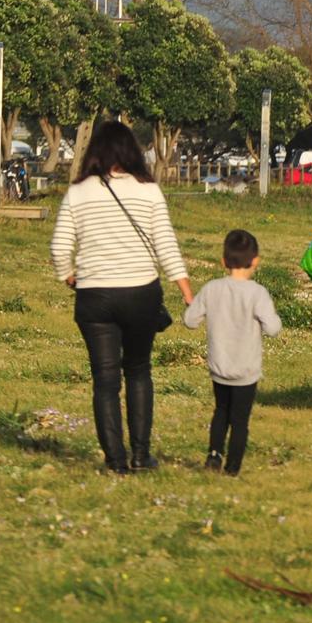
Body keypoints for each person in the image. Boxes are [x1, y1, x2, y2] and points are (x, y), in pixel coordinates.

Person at [50, 121, 193, 473]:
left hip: (94, 296)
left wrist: (68, 275)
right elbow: (166, 246)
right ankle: (142, 455)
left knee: (105, 379)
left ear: (95, 151)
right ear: (131, 151)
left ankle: (115, 460)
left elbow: (59, 247)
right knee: (139, 370)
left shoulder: (78, 192)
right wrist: (188, 293)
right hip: (141, 294)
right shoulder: (148, 191)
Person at [184, 229, 281, 475]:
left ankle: (214, 456)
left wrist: (197, 305)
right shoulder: (257, 293)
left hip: (219, 366)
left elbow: (190, 320)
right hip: (246, 370)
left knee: (221, 412)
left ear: (223, 261)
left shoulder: (211, 289)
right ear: (256, 260)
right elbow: (273, 329)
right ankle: (233, 467)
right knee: (240, 421)